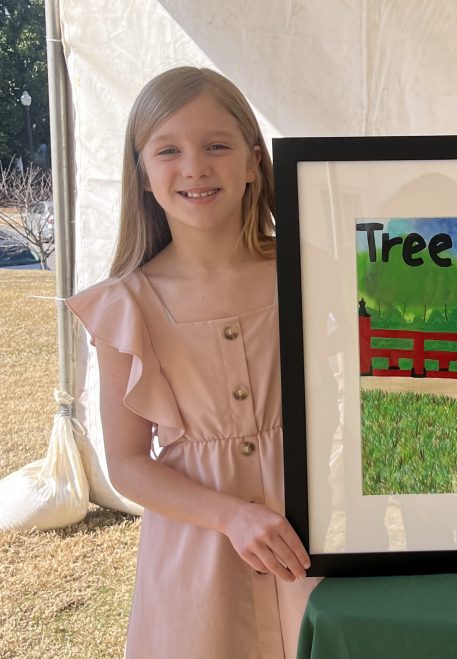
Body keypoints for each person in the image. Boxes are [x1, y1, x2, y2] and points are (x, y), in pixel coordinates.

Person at [66, 67, 319, 659]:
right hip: (197, 566)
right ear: (144, 174)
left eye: (217, 146)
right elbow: (127, 464)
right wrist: (231, 516)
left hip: (312, 548)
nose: (195, 167)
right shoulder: (125, 306)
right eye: (169, 150)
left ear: (254, 162)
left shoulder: (312, 271)